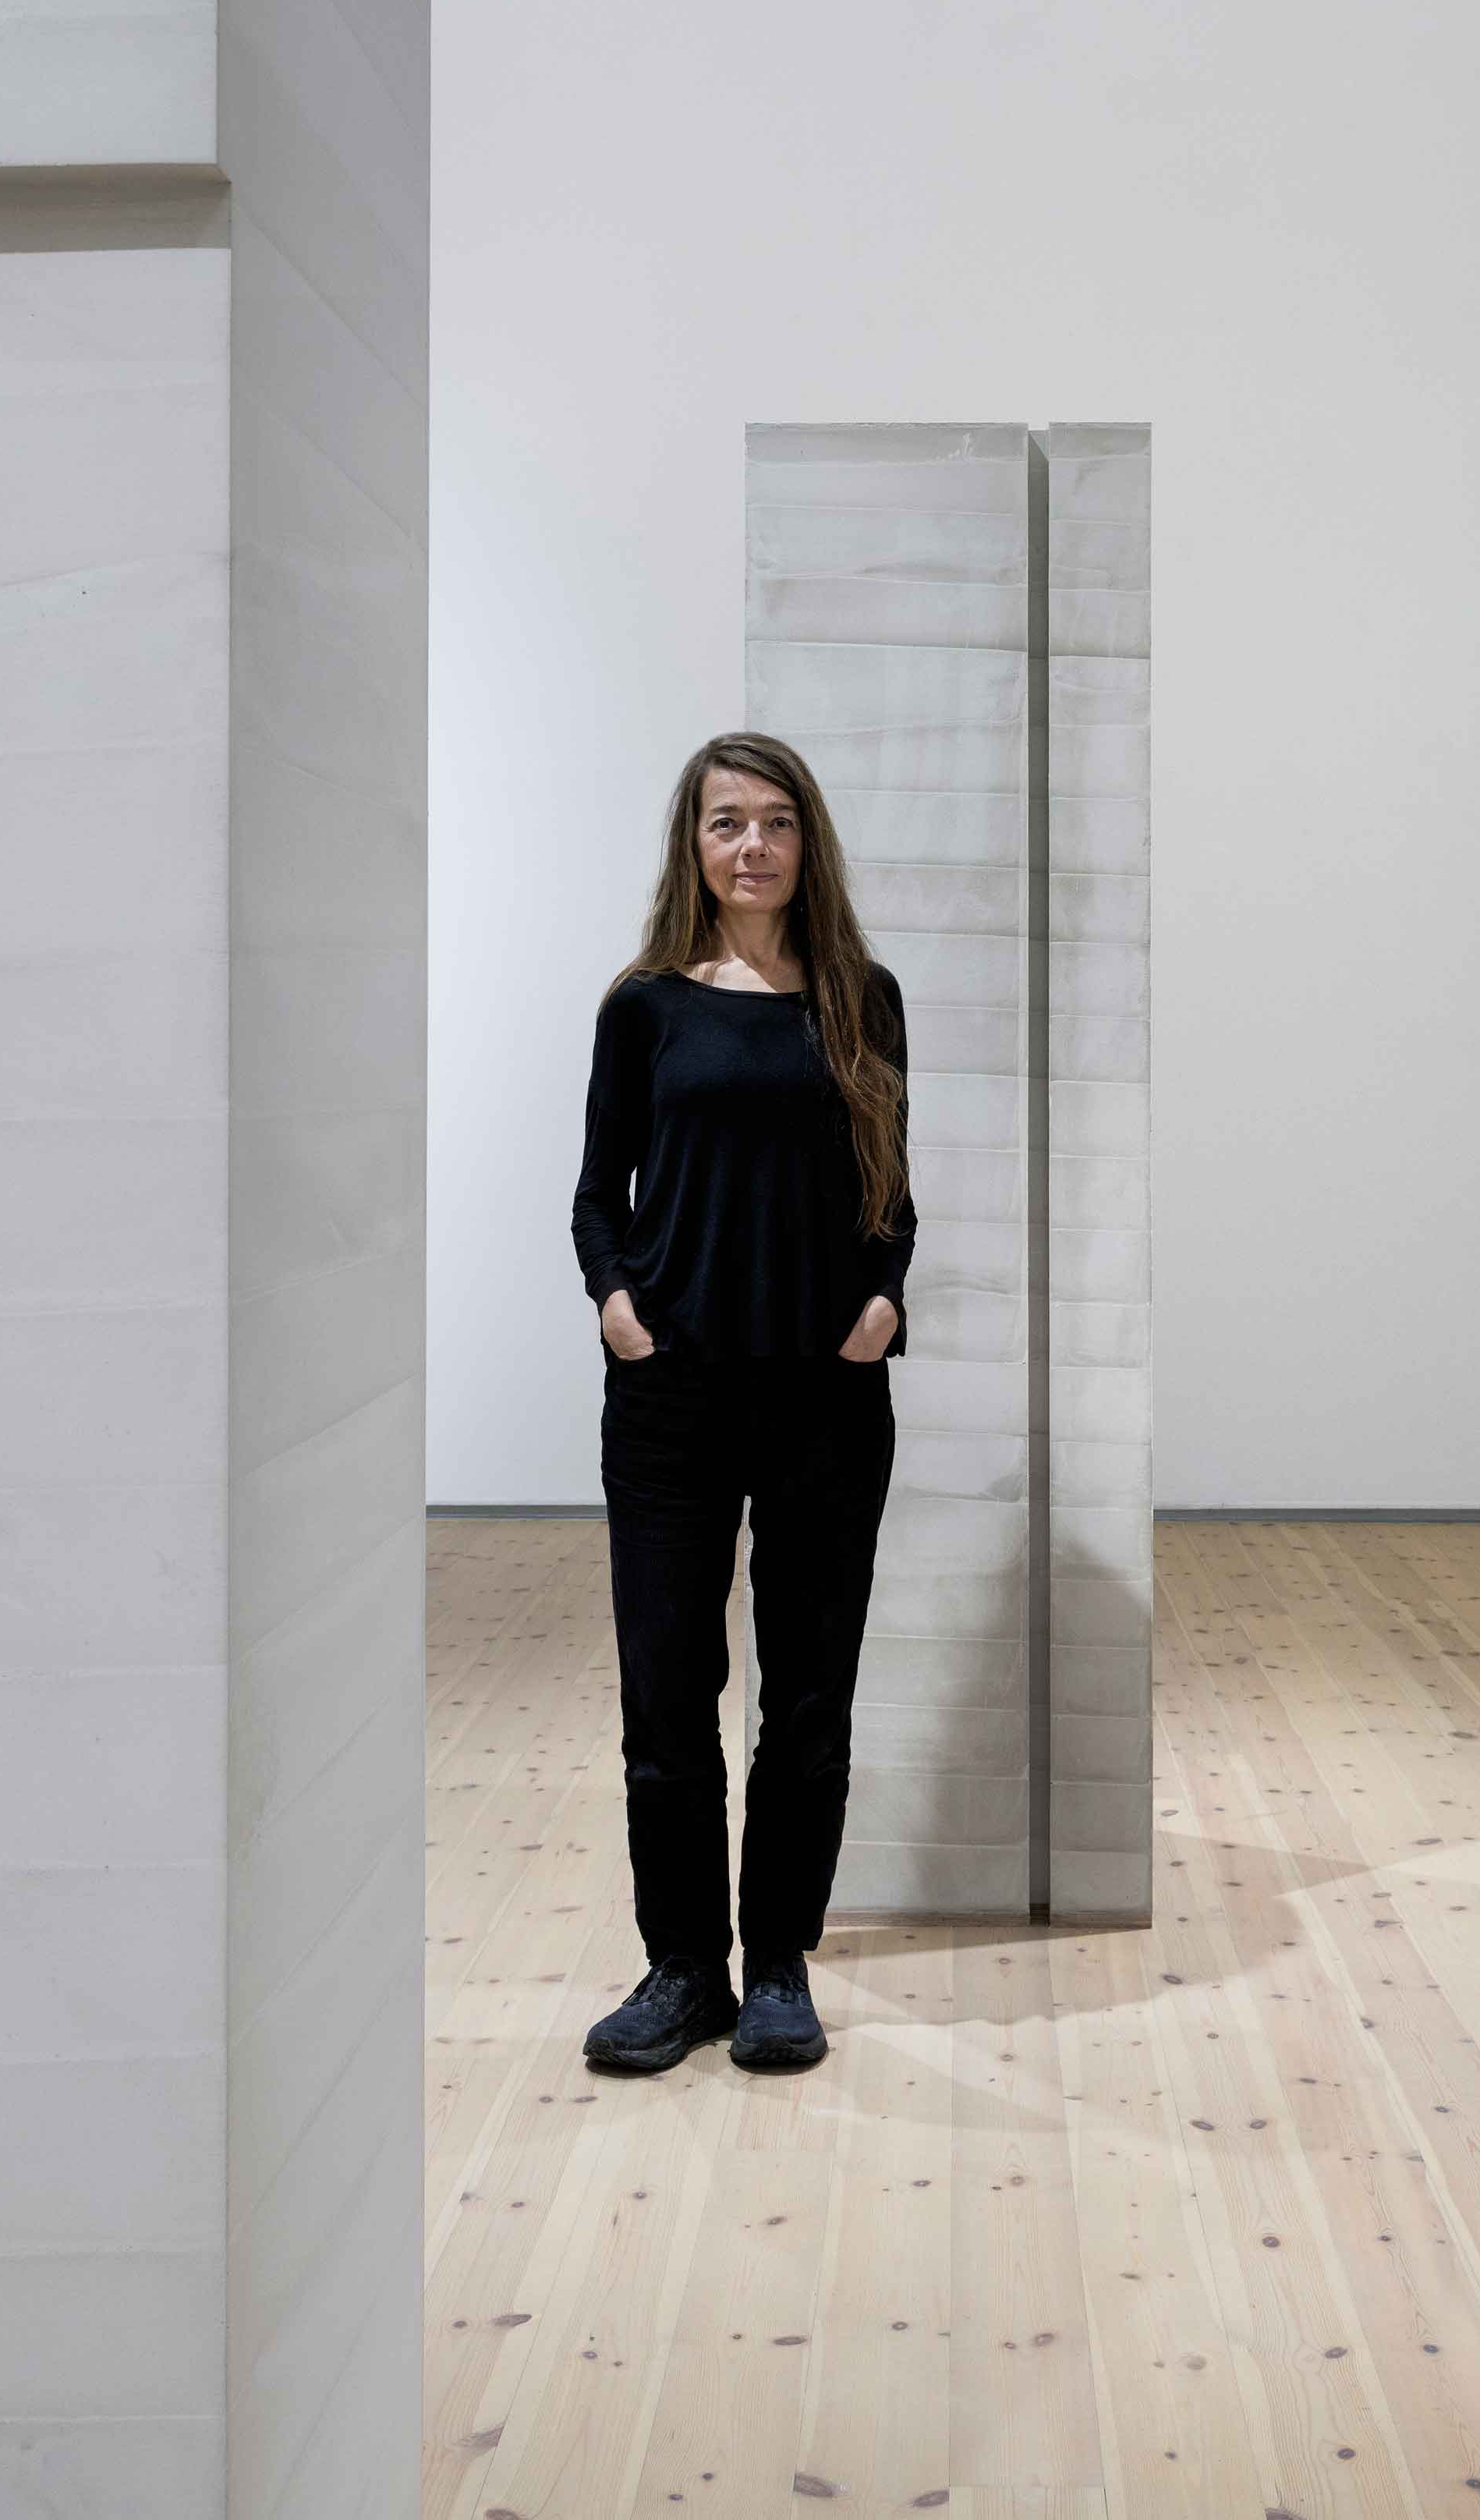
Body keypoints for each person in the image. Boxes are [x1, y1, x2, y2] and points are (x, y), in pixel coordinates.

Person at [568, 732, 915, 2074]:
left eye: (775, 821)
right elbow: (599, 1192)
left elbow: (890, 1188)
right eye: (727, 822)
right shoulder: (644, 1006)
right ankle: (680, 1971)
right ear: (694, 845)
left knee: (808, 1697)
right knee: (667, 1693)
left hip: (826, 1394)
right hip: (672, 1397)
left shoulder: (861, 999)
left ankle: (777, 1965)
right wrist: (616, 1302)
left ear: (806, 841)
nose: (752, 844)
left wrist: (882, 1300)